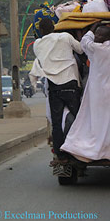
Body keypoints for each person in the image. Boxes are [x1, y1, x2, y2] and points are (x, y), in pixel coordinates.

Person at [61, 24, 110, 162]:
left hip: (99, 91)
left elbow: (84, 42)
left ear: (108, 37)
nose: (97, 37)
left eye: (100, 35)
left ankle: (95, 149)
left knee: (97, 120)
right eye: (97, 34)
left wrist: (94, 25)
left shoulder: (97, 48)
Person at [33, 18, 83, 164]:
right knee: (79, 119)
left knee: (56, 123)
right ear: (54, 27)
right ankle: (81, 150)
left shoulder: (37, 44)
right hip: (70, 84)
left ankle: (61, 155)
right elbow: (80, 49)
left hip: (54, 87)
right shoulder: (65, 37)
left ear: (41, 31)